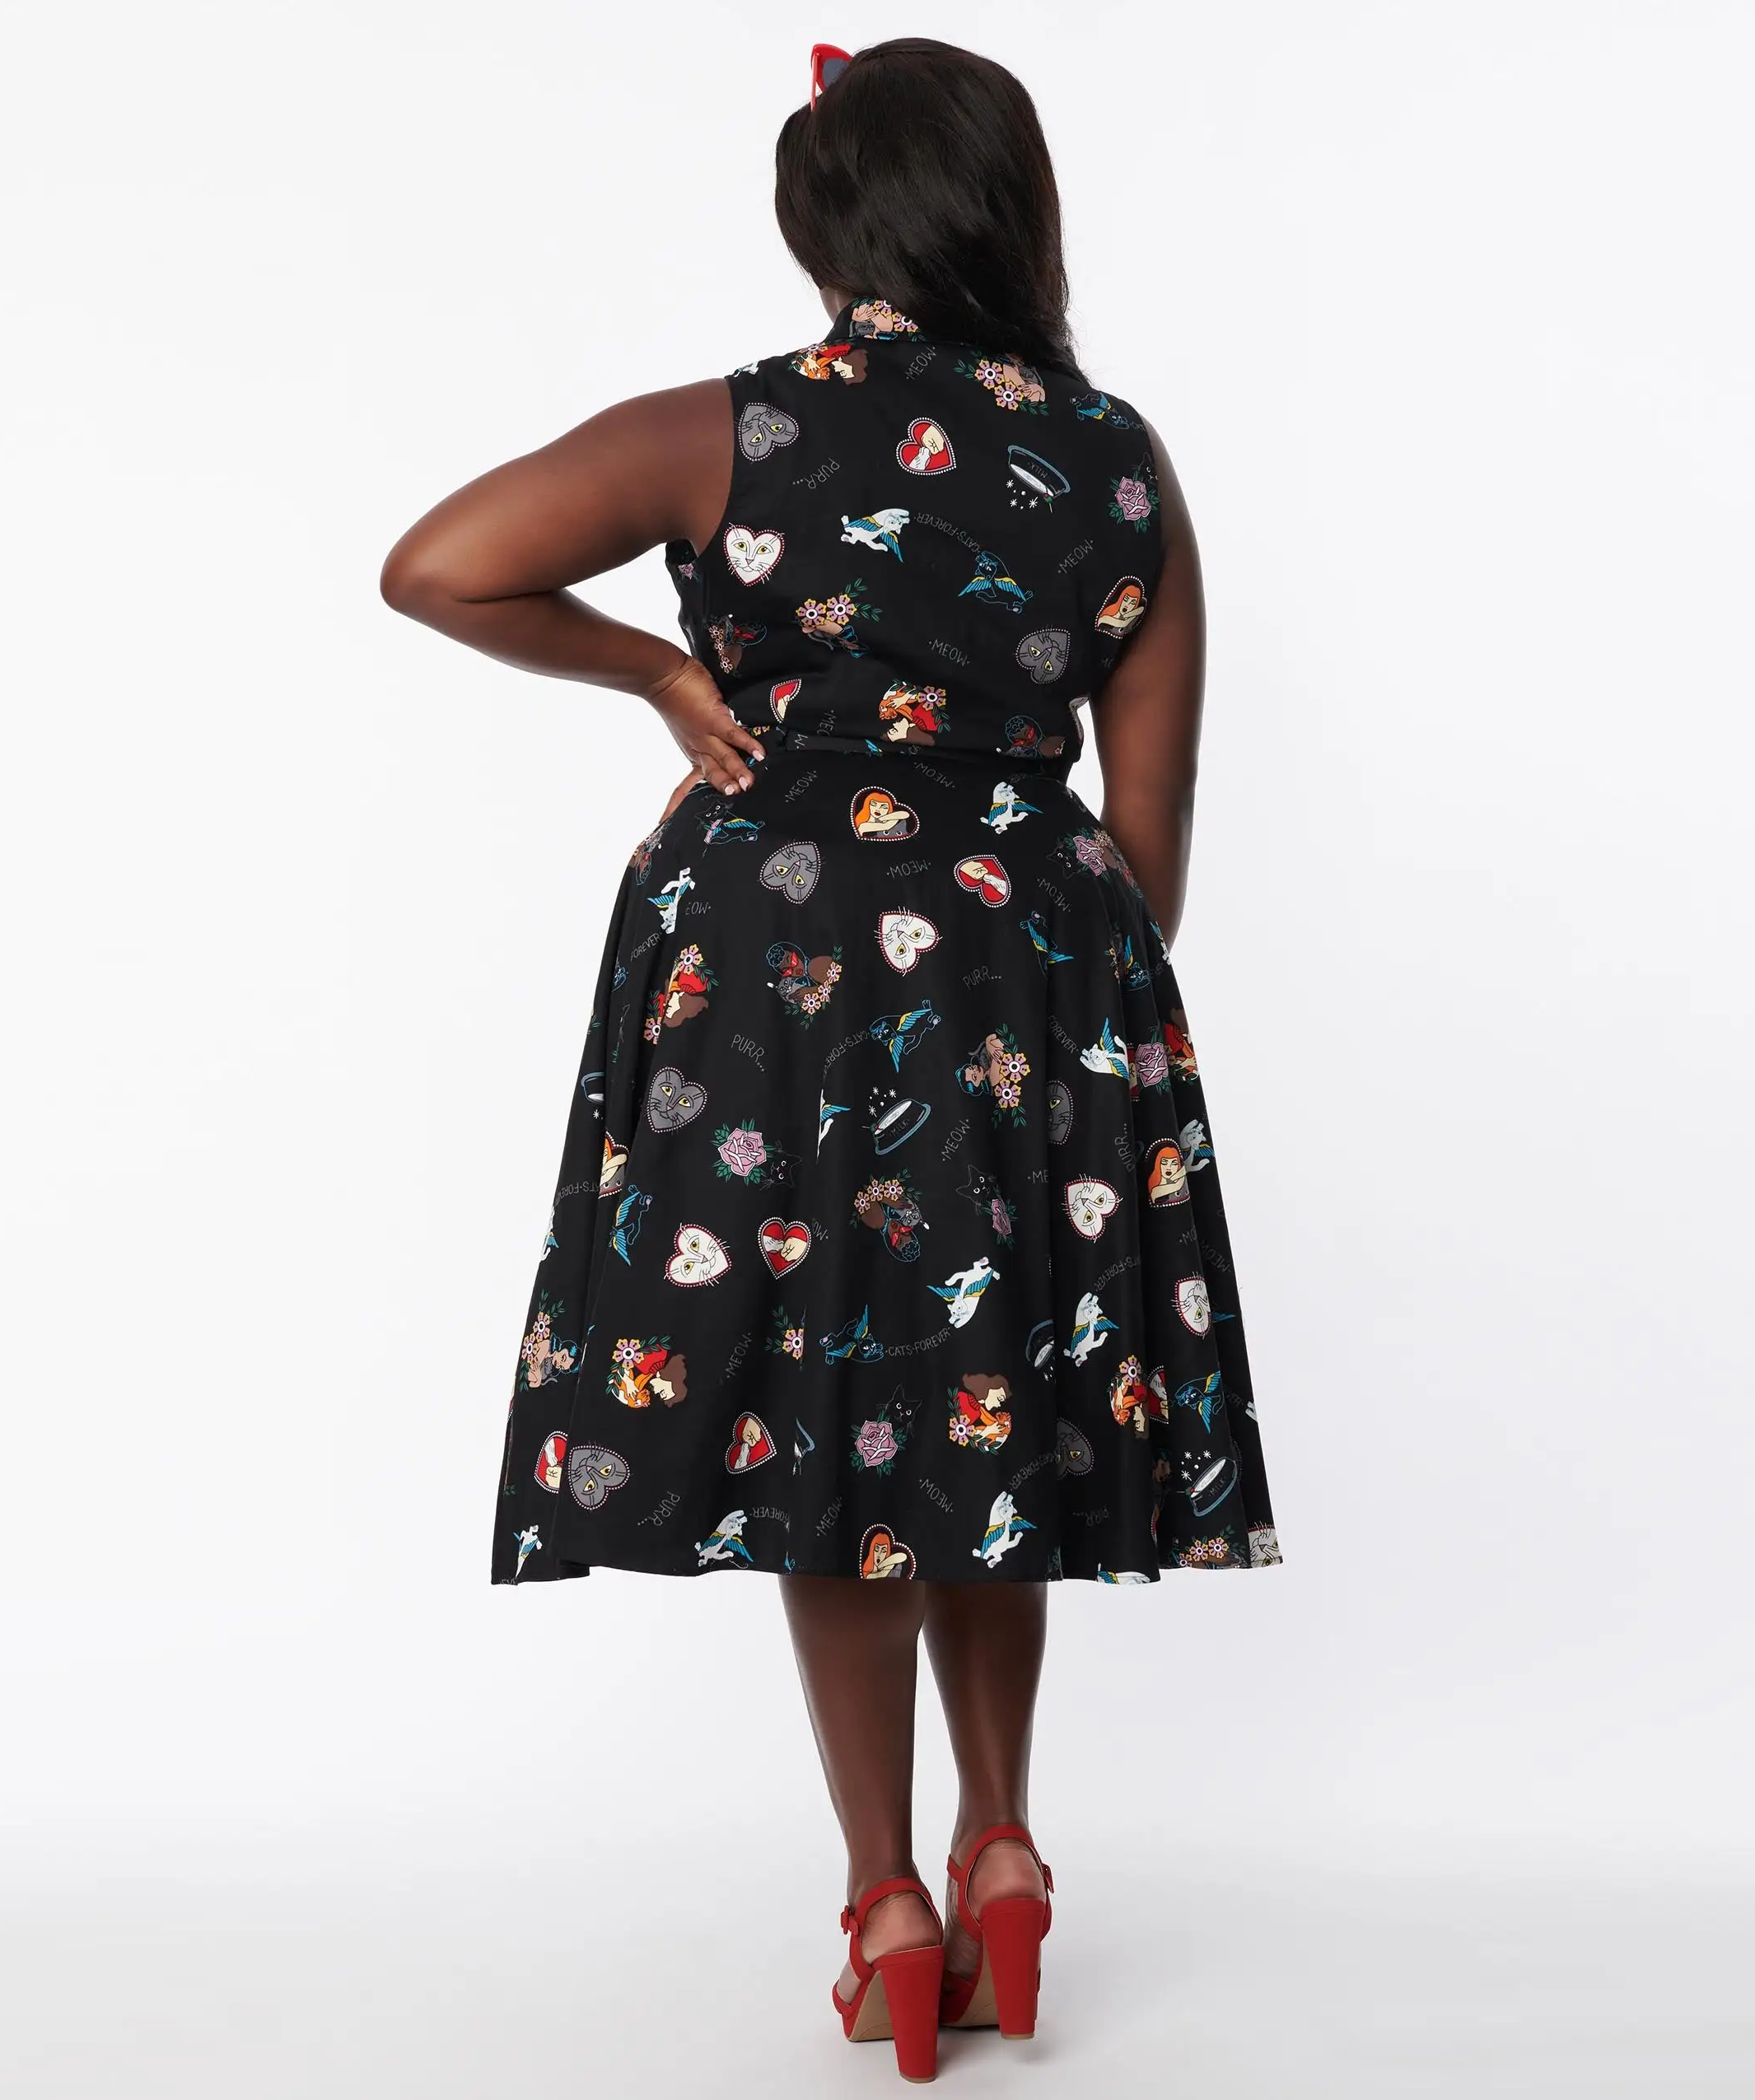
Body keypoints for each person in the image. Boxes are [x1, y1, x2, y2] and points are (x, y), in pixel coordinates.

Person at [380, 35, 1281, 2082]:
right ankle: (1004, 1848)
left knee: (829, 1432)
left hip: (775, 989)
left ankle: (883, 1901)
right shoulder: (1119, 462)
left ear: (825, 218)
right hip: (1029, 977)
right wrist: (1039, 998)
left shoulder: (730, 429)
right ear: (1014, 210)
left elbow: (437, 563)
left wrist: (659, 667)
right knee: (984, 1417)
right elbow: (1147, 835)